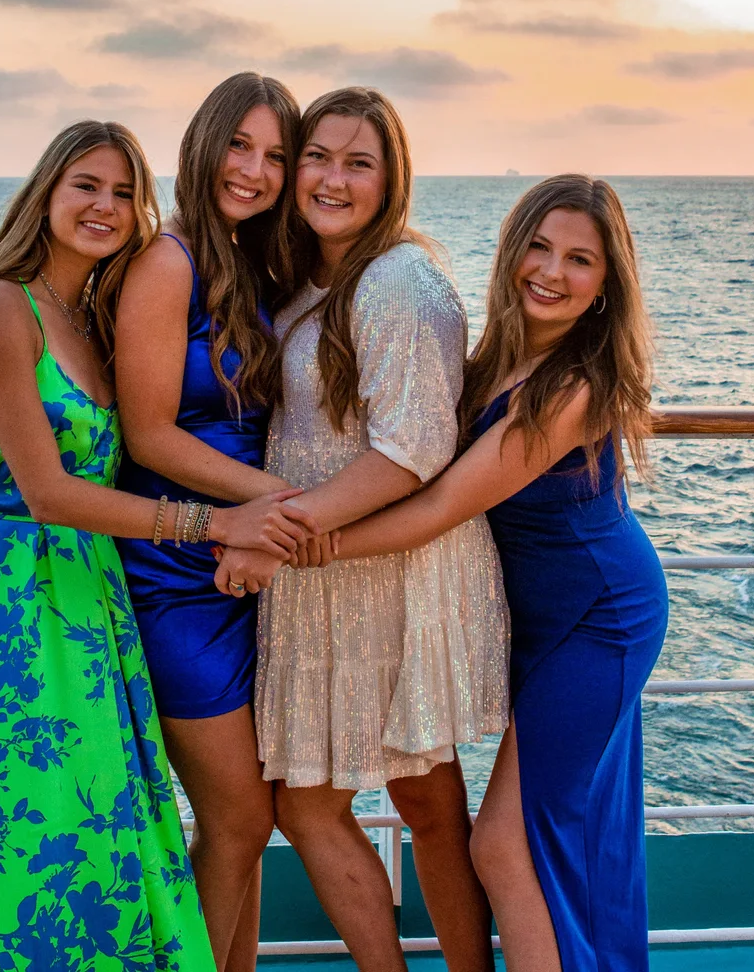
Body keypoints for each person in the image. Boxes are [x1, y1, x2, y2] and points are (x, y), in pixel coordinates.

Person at [0, 118, 280, 972]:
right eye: (85, 186)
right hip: (6, 599)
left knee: (97, 834)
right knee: (17, 835)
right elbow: (49, 491)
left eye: (121, 193)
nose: (104, 207)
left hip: (87, 595)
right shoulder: (2, 308)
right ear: (46, 194)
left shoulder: (94, 313)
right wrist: (215, 523)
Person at [319, 174, 669, 972]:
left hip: (599, 617)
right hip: (541, 619)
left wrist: (305, 542)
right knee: (546, 837)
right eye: (539, 247)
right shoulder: (495, 360)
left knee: (506, 846)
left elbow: (441, 504)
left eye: (580, 259)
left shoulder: (572, 386)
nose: (551, 270)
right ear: (512, 251)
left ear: (607, 284)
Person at [215, 86, 509, 972]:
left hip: (386, 568)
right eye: (318, 157)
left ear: (392, 179)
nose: (331, 179)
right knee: (345, 802)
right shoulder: (306, 281)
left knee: (407, 803)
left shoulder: (399, 281)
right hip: (326, 574)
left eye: (359, 163)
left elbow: (411, 453)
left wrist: (271, 535)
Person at [114, 73, 320, 972]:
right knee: (237, 817)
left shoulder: (259, 264)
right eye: (240, 144)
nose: (255, 169)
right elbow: (148, 433)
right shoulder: (169, 260)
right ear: (203, 143)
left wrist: (262, 521)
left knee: (249, 822)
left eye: (277, 155)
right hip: (177, 570)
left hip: (246, 562)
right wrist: (265, 506)